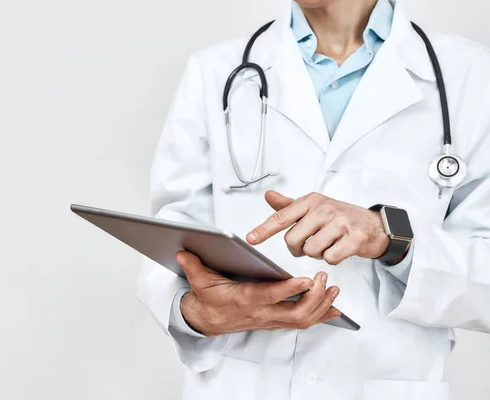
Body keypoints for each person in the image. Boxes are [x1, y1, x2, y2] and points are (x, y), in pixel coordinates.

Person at [137, 0, 490, 399]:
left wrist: (386, 236)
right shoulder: (215, 72)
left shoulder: (473, 79)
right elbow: (171, 243)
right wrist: (197, 313)